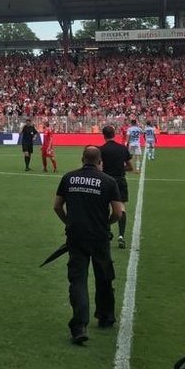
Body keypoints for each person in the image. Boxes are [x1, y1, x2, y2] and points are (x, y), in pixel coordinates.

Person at [53, 146, 123, 344]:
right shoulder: (108, 181)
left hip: (76, 236)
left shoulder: (69, 178)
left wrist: (68, 222)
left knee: (78, 280)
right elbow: (118, 212)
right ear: (100, 161)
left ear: (82, 158)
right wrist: (106, 223)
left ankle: (79, 325)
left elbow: (57, 206)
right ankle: (105, 316)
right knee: (104, 276)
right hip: (99, 236)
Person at [99, 125, 133, 249]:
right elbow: (130, 167)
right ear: (115, 134)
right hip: (119, 180)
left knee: (104, 207)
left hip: (106, 180)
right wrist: (120, 168)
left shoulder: (101, 150)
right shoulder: (123, 149)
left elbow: (99, 168)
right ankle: (121, 236)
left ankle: (106, 231)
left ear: (104, 135)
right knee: (121, 208)